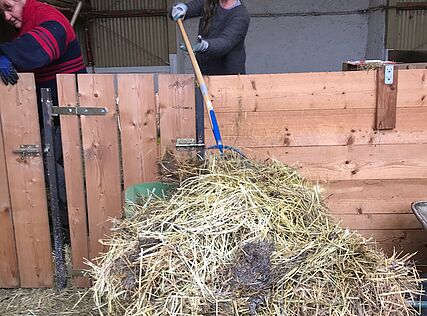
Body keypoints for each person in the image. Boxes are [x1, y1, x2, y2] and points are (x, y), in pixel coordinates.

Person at [0, 0, 87, 242]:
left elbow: (39, 52)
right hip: (50, 109)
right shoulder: (29, 22)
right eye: (2, 11)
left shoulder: (47, 16)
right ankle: (68, 221)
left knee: (54, 165)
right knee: (53, 165)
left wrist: (4, 53)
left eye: (8, 7)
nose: (6, 17)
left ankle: (73, 225)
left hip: (65, 109)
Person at [170, 0, 250, 75]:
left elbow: (225, 43)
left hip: (230, 78)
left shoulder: (241, 15)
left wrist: (204, 46)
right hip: (204, 75)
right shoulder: (210, 3)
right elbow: (190, 7)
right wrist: (181, 8)